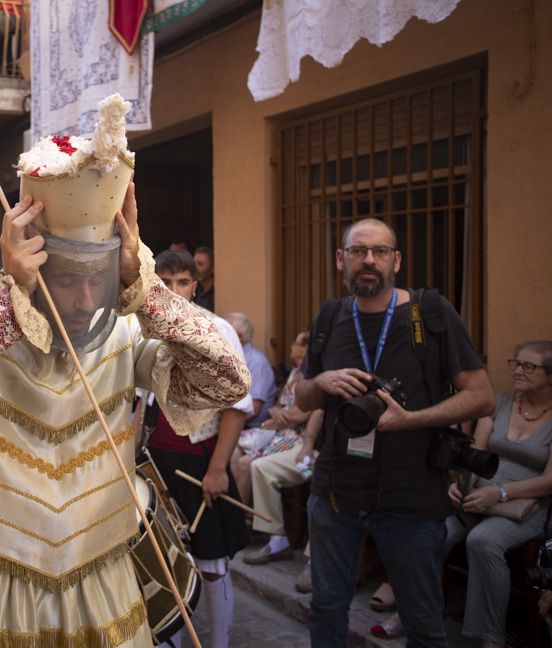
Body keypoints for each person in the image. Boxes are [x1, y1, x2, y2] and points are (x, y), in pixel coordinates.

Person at [0, 185, 251, 647]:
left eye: (100, 277)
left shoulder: (126, 331)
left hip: (104, 578)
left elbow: (228, 381)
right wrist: (7, 299)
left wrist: (146, 288)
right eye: (68, 279)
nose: (87, 299)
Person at [294, 217, 495, 648]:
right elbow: (303, 399)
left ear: (396, 260)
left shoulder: (430, 312)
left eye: (380, 251)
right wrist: (321, 383)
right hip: (335, 492)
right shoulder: (330, 316)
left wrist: (411, 419)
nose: (369, 260)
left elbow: (481, 397)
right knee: (327, 608)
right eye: (357, 251)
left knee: (422, 622)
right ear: (340, 259)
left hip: (412, 496)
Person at [144, 249, 254, 648]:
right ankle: (168, 636)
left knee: (210, 559)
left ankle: (217, 643)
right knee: (159, 558)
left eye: (183, 282)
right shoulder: (143, 327)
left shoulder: (217, 329)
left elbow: (237, 405)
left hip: (200, 458)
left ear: (196, 285)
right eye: (165, 281)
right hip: (154, 460)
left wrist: (219, 468)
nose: (174, 291)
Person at [439, 340, 552, 648]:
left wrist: (500, 493)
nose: (518, 371)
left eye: (529, 366)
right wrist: (460, 485)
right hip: (480, 495)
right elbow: (475, 454)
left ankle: (490, 639)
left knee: (483, 540)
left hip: (529, 504)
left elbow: (550, 480)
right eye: (516, 363)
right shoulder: (499, 404)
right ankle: (423, 617)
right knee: (434, 531)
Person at [231, 330, 314, 505]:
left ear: (305, 349)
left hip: (292, 436)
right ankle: (234, 510)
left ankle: (242, 516)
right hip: (276, 429)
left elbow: (299, 415)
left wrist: (277, 417)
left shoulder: (311, 378)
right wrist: (278, 415)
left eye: (296, 343)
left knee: (246, 463)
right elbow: (277, 408)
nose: (291, 346)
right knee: (231, 451)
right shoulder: (294, 373)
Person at [225, 312, 277, 429]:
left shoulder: (256, 362)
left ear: (239, 336)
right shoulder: (234, 357)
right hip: (235, 421)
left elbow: (254, 408)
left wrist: (221, 422)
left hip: (252, 427)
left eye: (225, 331)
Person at [192, 247, 215, 311]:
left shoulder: (216, 293)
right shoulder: (195, 289)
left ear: (212, 267)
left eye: (200, 264)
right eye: (194, 264)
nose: (195, 268)